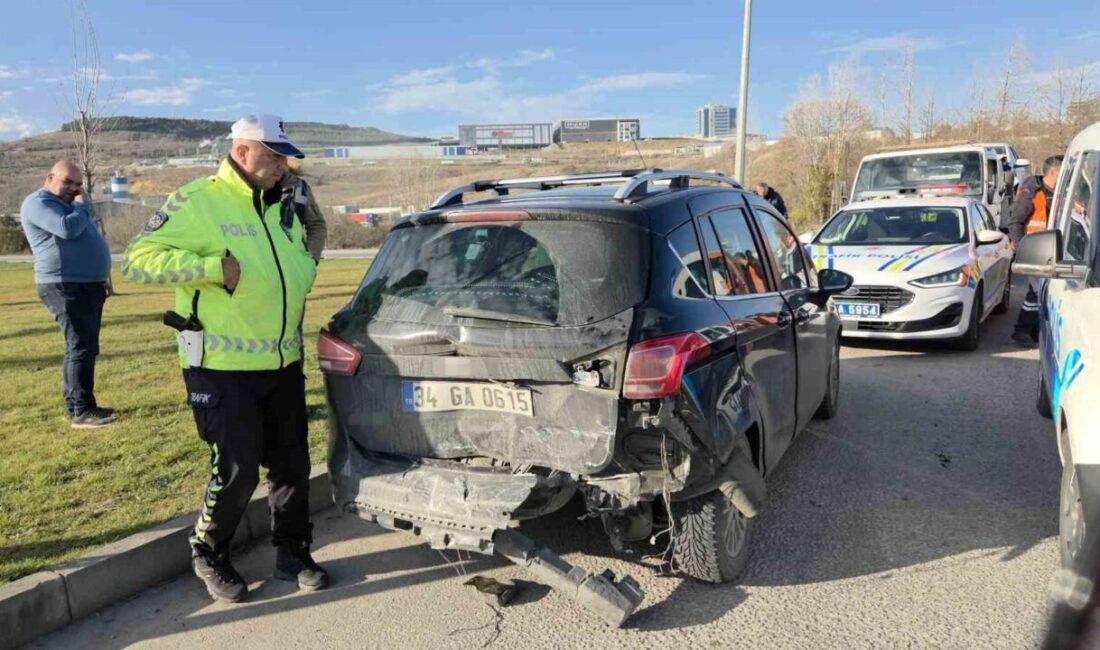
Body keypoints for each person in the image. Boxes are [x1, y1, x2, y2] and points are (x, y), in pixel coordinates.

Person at [122, 114, 327, 603]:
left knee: (292, 464)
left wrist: (306, 265)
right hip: (220, 366)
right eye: (275, 155)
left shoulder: (280, 205)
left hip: (282, 360)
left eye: (285, 156)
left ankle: (292, 551)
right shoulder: (198, 200)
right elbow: (137, 259)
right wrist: (212, 268)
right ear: (243, 152)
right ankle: (209, 551)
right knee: (237, 469)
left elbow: (300, 249)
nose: (284, 164)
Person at [20, 161, 116, 428]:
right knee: (79, 346)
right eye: (68, 183)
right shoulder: (37, 203)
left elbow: (85, 237)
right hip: (64, 285)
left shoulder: (70, 205)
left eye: (78, 185)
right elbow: (67, 228)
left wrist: (101, 277)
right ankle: (80, 411)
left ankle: (81, 404)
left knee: (84, 346)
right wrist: (84, 205)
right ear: (50, 177)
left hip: (87, 284)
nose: (74, 190)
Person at [1006, 155, 1063, 347]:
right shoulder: (1032, 192)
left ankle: (1028, 331)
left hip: (1051, 250)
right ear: (1054, 172)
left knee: (1038, 292)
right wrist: (1021, 248)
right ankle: (1023, 331)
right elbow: (1015, 221)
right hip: (1034, 250)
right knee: (1037, 291)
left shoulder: (1060, 192)